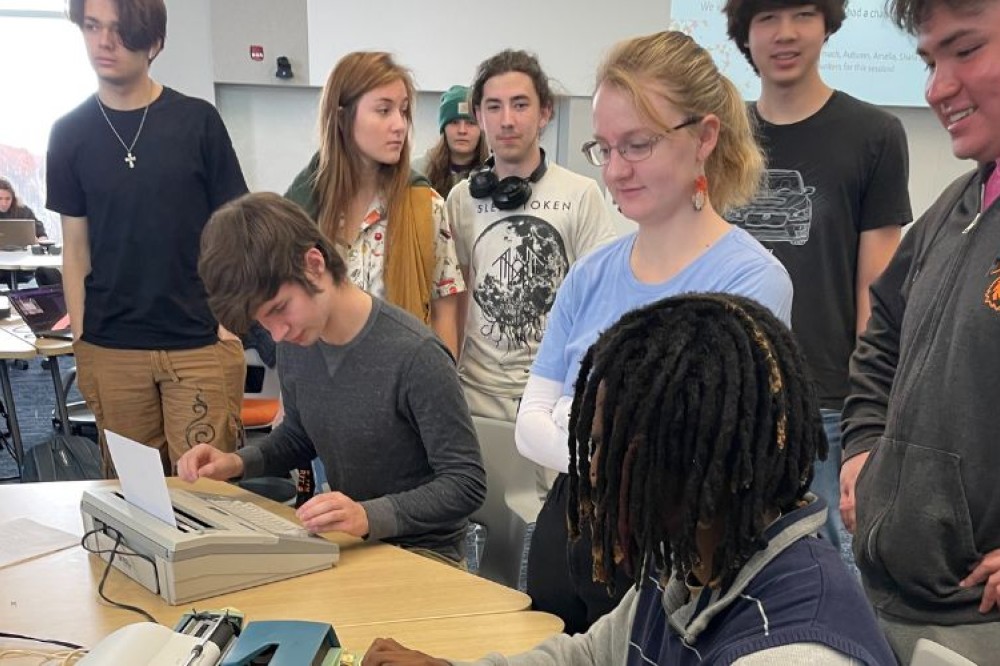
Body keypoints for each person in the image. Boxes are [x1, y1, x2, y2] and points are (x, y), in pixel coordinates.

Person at [362, 293, 896, 666]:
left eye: (613, 453)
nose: (591, 472)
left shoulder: (792, 653)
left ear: (699, 470)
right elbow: (593, 655)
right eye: (596, 446)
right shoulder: (695, 556)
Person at [517, 31, 794, 635]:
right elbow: (527, 423)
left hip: (666, 558)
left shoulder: (749, 281)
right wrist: (610, 440)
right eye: (604, 148)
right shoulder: (590, 273)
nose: (616, 170)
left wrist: (575, 424)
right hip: (567, 538)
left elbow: (695, 455)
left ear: (705, 137)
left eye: (638, 145)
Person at [180, 192, 486, 565]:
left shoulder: (416, 354)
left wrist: (367, 515)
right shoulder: (297, 341)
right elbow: (299, 436)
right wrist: (236, 463)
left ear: (314, 264)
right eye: (263, 321)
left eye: (280, 309)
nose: (277, 333)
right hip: (350, 545)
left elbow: (466, 483)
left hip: (424, 554)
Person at [839, 0, 1000, 661]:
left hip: (978, 621)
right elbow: (882, 335)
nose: (937, 88)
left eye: (966, 50)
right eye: (931, 61)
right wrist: (862, 447)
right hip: (888, 601)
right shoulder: (956, 206)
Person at [722, 0, 912, 558]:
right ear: (744, 34)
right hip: (727, 392)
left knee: (828, 565)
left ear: (827, 25)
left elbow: (877, 294)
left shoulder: (874, 135)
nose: (785, 34)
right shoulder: (720, 137)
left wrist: (870, 415)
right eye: (767, 18)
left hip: (825, 401)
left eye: (803, 14)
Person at [46, 0, 248, 476]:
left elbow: (235, 230)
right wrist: (81, 337)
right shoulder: (69, 134)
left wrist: (227, 325)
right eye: (92, 26)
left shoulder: (197, 122)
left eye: (120, 30)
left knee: (205, 495)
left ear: (153, 42)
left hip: (198, 341)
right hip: (111, 346)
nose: (104, 42)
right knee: (133, 497)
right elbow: (75, 248)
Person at [447, 50, 617, 426]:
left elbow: (600, 302)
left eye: (520, 105)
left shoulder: (581, 194)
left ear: (545, 113)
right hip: (473, 397)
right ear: (479, 116)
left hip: (551, 398)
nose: (507, 120)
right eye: (494, 107)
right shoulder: (461, 199)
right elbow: (453, 299)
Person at [285, 52, 465, 358]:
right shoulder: (302, 210)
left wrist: (440, 381)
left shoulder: (426, 206)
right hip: (323, 375)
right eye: (384, 110)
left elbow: (444, 314)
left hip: (402, 377)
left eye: (403, 111)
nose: (400, 125)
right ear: (342, 118)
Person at [412, 85, 488, 197]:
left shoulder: (495, 172)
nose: (462, 130)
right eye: (454, 122)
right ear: (444, 129)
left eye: (471, 123)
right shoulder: (417, 171)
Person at [0, 177, 60, 286]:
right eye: (0, 198)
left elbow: (41, 233)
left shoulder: (23, 211)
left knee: (50, 273)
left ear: (13, 198)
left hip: (22, 260)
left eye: (7, 199)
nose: (4, 203)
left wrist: (41, 240)